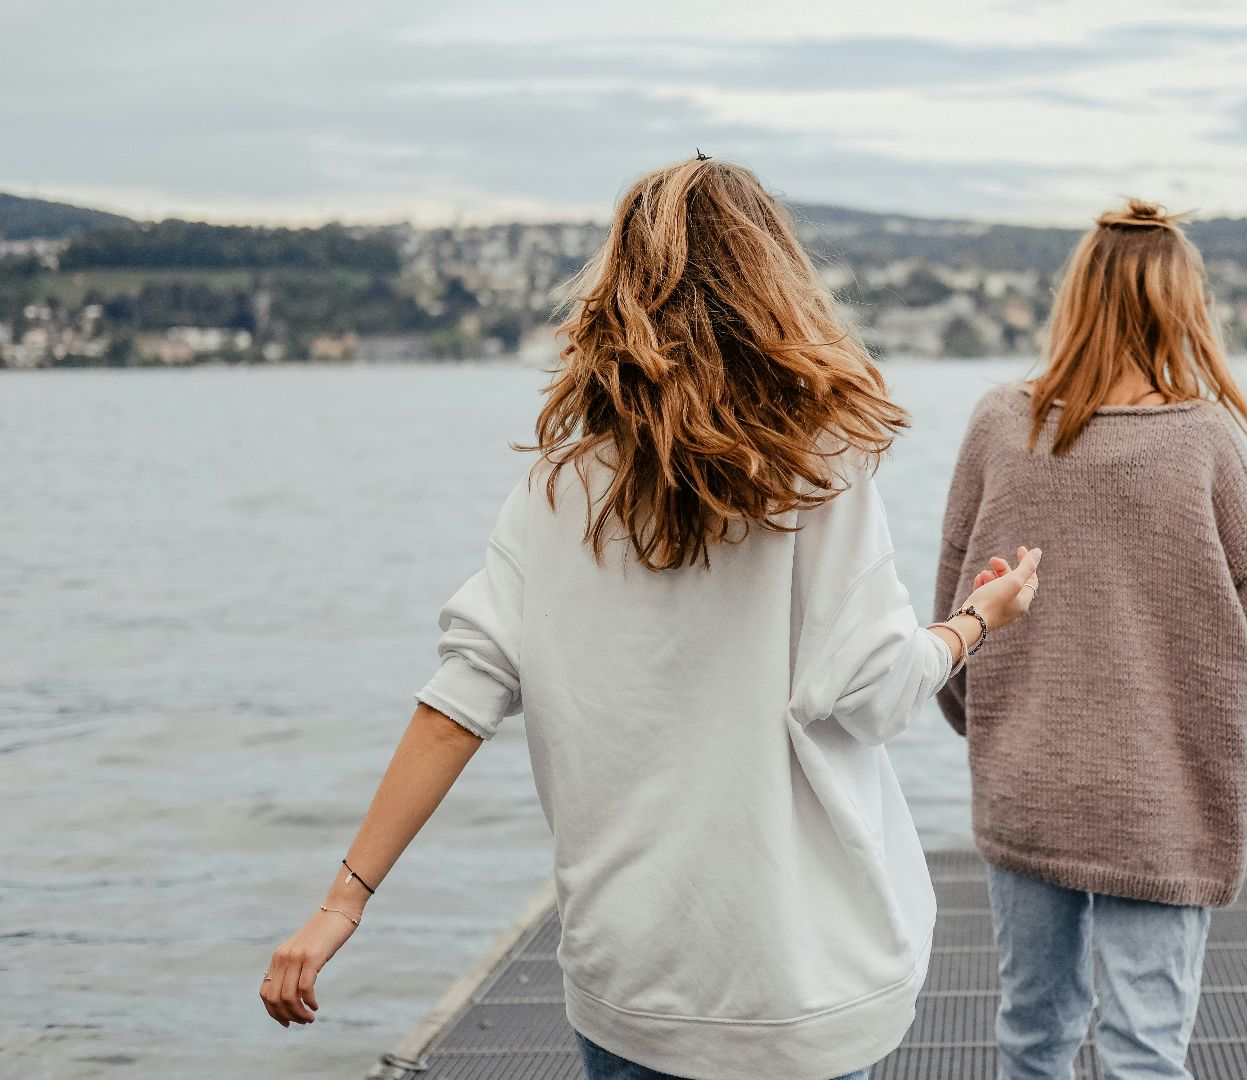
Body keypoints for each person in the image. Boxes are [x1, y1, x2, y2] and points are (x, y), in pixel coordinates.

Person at [258, 157, 1043, 1080]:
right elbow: (870, 693)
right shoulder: (821, 465)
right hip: (799, 984)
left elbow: (456, 702)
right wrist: (976, 622)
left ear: (619, 288)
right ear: (775, 279)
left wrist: (343, 902)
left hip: (630, 982)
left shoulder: (558, 488)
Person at [934, 198, 1247, 1080]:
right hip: (1160, 801)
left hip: (1027, 782)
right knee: (1145, 1050)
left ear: (1077, 298)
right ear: (1183, 309)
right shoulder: (1200, 443)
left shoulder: (1001, 425)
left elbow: (958, 605)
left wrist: (991, 726)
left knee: (1033, 1036)